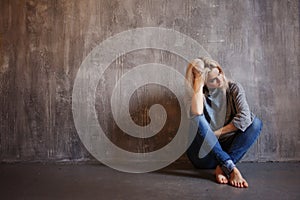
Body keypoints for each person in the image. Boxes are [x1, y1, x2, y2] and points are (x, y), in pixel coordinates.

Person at [184, 57, 262, 188]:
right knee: (196, 118)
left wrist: (213, 135)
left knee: (256, 123)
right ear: (204, 83)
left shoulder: (234, 88)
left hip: (225, 152)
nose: (220, 79)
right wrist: (198, 81)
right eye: (213, 80)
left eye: (219, 73)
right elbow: (197, 112)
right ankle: (231, 168)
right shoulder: (196, 96)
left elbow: (245, 118)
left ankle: (224, 166)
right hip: (203, 156)